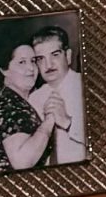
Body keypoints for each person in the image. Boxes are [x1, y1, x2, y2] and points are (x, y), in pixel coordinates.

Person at [0, 40, 55, 174]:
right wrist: (49, 122)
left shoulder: (7, 96)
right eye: (22, 62)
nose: (31, 68)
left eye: (33, 61)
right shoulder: (8, 105)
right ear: (4, 70)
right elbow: (22, 162)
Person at [31, 22, 90, 164]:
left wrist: (68, 122)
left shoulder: (86, 88)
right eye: (41, 59)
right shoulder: (33, 99)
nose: (48, 65)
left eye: (55, 55)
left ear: (68, 56)